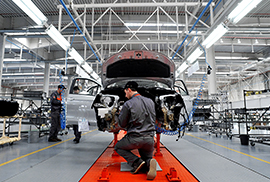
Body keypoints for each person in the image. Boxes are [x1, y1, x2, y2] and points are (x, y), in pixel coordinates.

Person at [114, 81, 157, 180]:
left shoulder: (128, 104)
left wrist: (119, 115)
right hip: (149, 140)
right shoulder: (150, 101)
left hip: (135, 138)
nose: (125, 95)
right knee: (146, 157)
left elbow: (122, 124)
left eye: (125, 93)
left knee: (118, 147)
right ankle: (149, 162)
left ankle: (136, 162)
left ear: (129, 90)